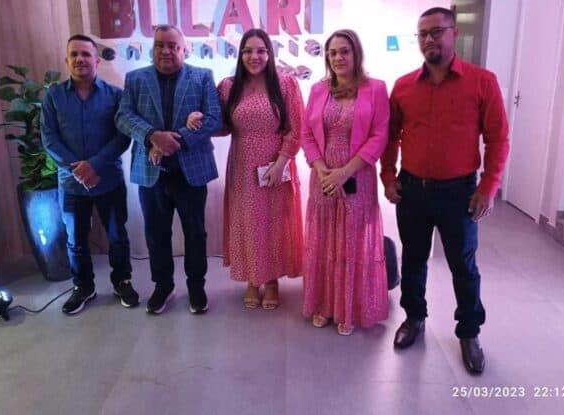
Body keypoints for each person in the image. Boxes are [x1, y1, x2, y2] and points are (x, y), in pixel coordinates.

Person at [380, 7, 509, 374]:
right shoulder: (403, 86)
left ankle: (469, 332)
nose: (429, 39)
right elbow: (390, 136)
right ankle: (414, 318)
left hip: (460, 193)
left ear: (454, 33)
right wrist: (388, 176)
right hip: (413, 190)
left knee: (463, 266)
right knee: (414, 259)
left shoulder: (482, 82)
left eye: (436, 32)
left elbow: (498, 139)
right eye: (422, 34)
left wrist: (488, 187)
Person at [188, 28, 305, 309]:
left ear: (270, 54)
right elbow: (221, 126)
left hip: (276, 165)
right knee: (249, 223)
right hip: (242, 166)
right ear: (240, 55)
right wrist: (198, 118)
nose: (255, 56)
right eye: (248, 51)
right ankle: (253, 279)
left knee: (274, 223)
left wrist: (281, 162)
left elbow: (296, 129)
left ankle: (272, 280)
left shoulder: (286, 84)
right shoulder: (229, 87)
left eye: (261, 51)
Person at [115, 24, 222, 315]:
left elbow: (214, 118)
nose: (166, 51)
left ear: (184, 49)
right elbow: (123, 117)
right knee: (156, 234)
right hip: (151, 172)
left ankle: (196, 286)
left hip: (191, 172)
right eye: (160, 45)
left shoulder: (202, 77)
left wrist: (176, 140)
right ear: (153, 48)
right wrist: (152, 135)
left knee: (195, 233)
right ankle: (163, 286)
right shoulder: (136, 79)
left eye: (173, 46)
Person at [301, 29, 390, 336]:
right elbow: (306, 134)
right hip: (323, 178)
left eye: (344, 51)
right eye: (332, 52)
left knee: (352, 243)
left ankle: (348, 308)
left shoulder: (375, 88)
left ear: (356, 54)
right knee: (324, 239)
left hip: (358, 177)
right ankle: (324, 304)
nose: (338, 57)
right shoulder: (318, 89)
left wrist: (345, 172)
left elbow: (379, 135)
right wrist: (322, 169)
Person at [41, 34, 137, 314]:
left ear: (97, 60)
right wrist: (79, 169)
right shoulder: (53, 96)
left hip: (108, 180)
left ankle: (122, 281)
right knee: (76, 240)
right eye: (74, 54)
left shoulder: (115, 95)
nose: (80, 59)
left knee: (117, 236)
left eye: (86, 54)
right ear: (66, 60)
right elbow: (49, 138)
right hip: (71, 184)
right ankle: (83, 287)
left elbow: (123, 137)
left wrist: (94, 165)